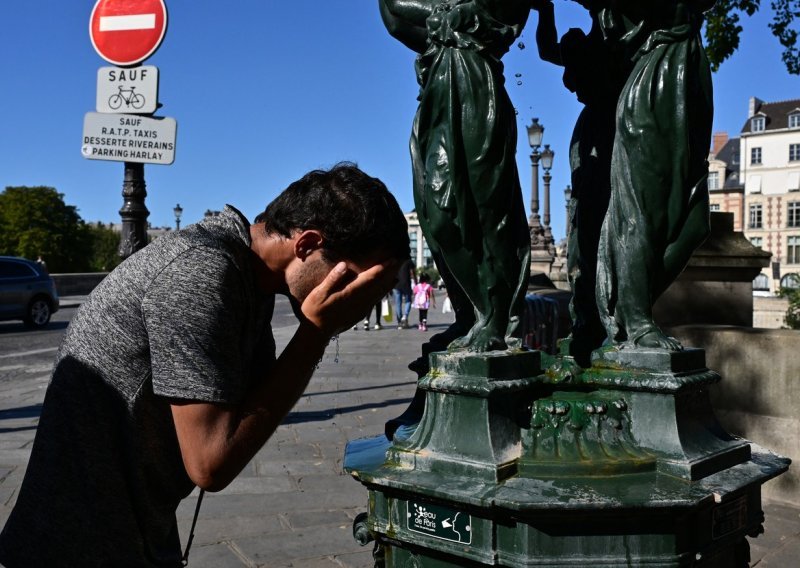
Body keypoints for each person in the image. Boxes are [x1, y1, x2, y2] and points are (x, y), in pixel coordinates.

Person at [0, 163, 409, 567]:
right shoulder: (201, 271)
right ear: (306, 246)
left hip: (131, 533)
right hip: (76, 545)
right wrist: (315, 333)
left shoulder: (250, 278)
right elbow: (211, 464)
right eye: (359, 281)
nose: (364, 302)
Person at [379, 0, 531, 352]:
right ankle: (468, 314)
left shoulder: (485, 13)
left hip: (477, 94)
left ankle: (493, 316)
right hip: (437, 99)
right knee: (435, 214)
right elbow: (394, 16)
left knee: (483, 208)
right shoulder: (439, 14)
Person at [595, 0, 714, 349]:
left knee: (696, 223)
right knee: (641, 215)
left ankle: (628, 304)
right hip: (656, 87)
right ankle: (637, 320)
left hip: (689, 86)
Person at [530, 0, 630, 365]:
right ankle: (589, 321)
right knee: (587, 228)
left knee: (603, 223)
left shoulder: (620, 37)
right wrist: (545, 11)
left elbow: (546, 51)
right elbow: (546, 51)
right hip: (596, 132)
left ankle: (607, 318)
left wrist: (545, 13)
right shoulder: (591, 42)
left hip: (614, 130)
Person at [393, 257, 416, 329]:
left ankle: (400, 322)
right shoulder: (408, 260)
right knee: (408, 300)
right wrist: (416, 282)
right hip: (406, 283)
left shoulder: (395, 260)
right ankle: (405, 316)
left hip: (396, 284)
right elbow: (412, 272)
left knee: (398, 303)